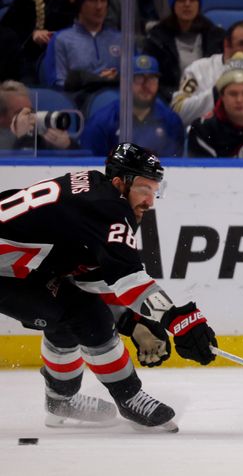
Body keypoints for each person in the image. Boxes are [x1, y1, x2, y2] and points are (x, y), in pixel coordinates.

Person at [0, 143, 218, 431]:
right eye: (144, 188)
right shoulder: (109, 208)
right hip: (8, 274)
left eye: (155, 190)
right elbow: (128, 279)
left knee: (65, 313)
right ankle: (129, 398)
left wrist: (135, 320)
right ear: (120, 182)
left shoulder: (94, 189)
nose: (150, 201)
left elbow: (89, 274)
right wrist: (176, 319)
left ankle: (59, 401)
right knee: (84, 314)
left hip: (20, 270)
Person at [80, 55, 185, 157]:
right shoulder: (101, 122)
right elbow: (90, 166)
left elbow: (174, 166)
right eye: (139, 78)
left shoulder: (171, 121)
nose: (146, 85)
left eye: (152, 78)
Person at [143, 0, 225, 101]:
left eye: (192, 0)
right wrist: (177, 98)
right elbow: (151, 78)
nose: (187, 4)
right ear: (173, 5)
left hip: (209, 101)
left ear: (199, 5)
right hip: (170, 101)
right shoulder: (157, 38)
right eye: (181, 0)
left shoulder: (215, 36)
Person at [0, 0, 77, 81]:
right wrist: (33, 35)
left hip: (69, 59)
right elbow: (9, 35)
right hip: (30, 65)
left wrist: (77, 3)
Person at [50, 0, 121, 94]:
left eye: (103, 0)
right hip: (79, 104)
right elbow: (58, 84)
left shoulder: (121, 39)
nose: (99, 7)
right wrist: (98, 81)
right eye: (92, 0)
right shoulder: (61, 40)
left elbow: (135, 76)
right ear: (80, 4)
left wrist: (117, 77)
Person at [0, 80, 78, 151]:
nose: (29, 117)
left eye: (30, 111)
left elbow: (82, 163)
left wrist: (67, 145)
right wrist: (25, 137)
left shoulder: (39, 137)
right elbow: (22, 165)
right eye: (20, 113)